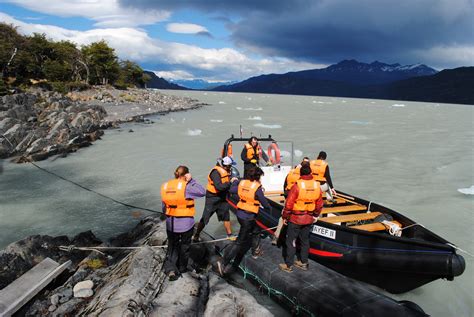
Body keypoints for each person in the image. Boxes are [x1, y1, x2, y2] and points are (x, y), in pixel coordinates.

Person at [218, 166, 272, 276]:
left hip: (240, 214)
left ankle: (255, 251)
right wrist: (268, 208)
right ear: (257, 177)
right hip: (248, 216)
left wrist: (234, 182)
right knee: (239, 242)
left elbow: (232, 190)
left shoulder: (242, 183)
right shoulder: (257, 188)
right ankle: (224, 262)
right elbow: (264, 203)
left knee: (256, 230)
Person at [161, 165, 205, 281]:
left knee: (172, 246)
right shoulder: (187, 187)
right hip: (186, 224)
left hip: (171, 223)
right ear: (186, 175)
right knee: (184, 247)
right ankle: (182, 268)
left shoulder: (166, 186)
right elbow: (202, 191)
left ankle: (171, 269)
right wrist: (191, 181)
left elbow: (163, 207)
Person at [279, 164, 323, 272]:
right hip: (309, 218)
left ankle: (289, 265)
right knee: (305, 241)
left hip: (296, 218)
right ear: (310, 173)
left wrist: (285, 217)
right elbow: (319, 203)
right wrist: (316, 215)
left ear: (301, 173)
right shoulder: (317, 186)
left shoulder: (297, 186)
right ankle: (304, 263)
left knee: (291, 241)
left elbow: (289, 204)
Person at [193, 156, 236, 242]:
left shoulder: (226, 171)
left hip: (222, 197)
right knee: (205, 217)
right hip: (212, 198)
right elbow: (219, 187)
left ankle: (229, 234)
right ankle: (196, 235)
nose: (231, 167)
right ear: (225, 166)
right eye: (230, 166)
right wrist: (230, 183)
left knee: (226, 216)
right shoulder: (215, 172)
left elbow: (224, 184)